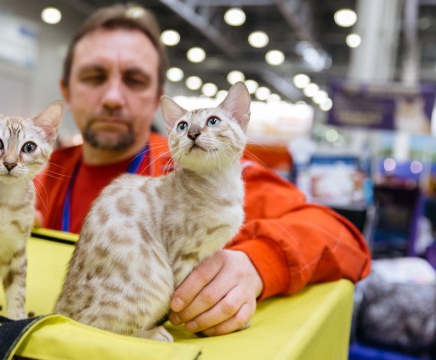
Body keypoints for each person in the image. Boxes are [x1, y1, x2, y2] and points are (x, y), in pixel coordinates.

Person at [34, 3, 371, 337]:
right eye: (94, 76)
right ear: (66, 89)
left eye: (134, 80)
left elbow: (345, 241)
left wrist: (259, 264)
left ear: (157, 97)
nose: (112, 97)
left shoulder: (216, 169)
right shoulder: (40, 175)